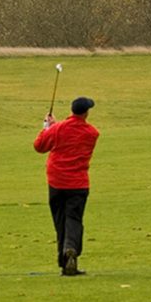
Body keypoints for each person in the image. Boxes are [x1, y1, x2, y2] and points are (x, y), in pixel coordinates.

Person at [33, 96, 100, 276]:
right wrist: (53, 127)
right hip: (78, 182)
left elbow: (39, 146)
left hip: (56, 181)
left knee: (60, 221)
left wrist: (47, 128)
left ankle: (65, 264)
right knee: (74, 220)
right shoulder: (92, 133)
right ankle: (71, 250)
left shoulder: (58, 128)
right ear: (85, 113)